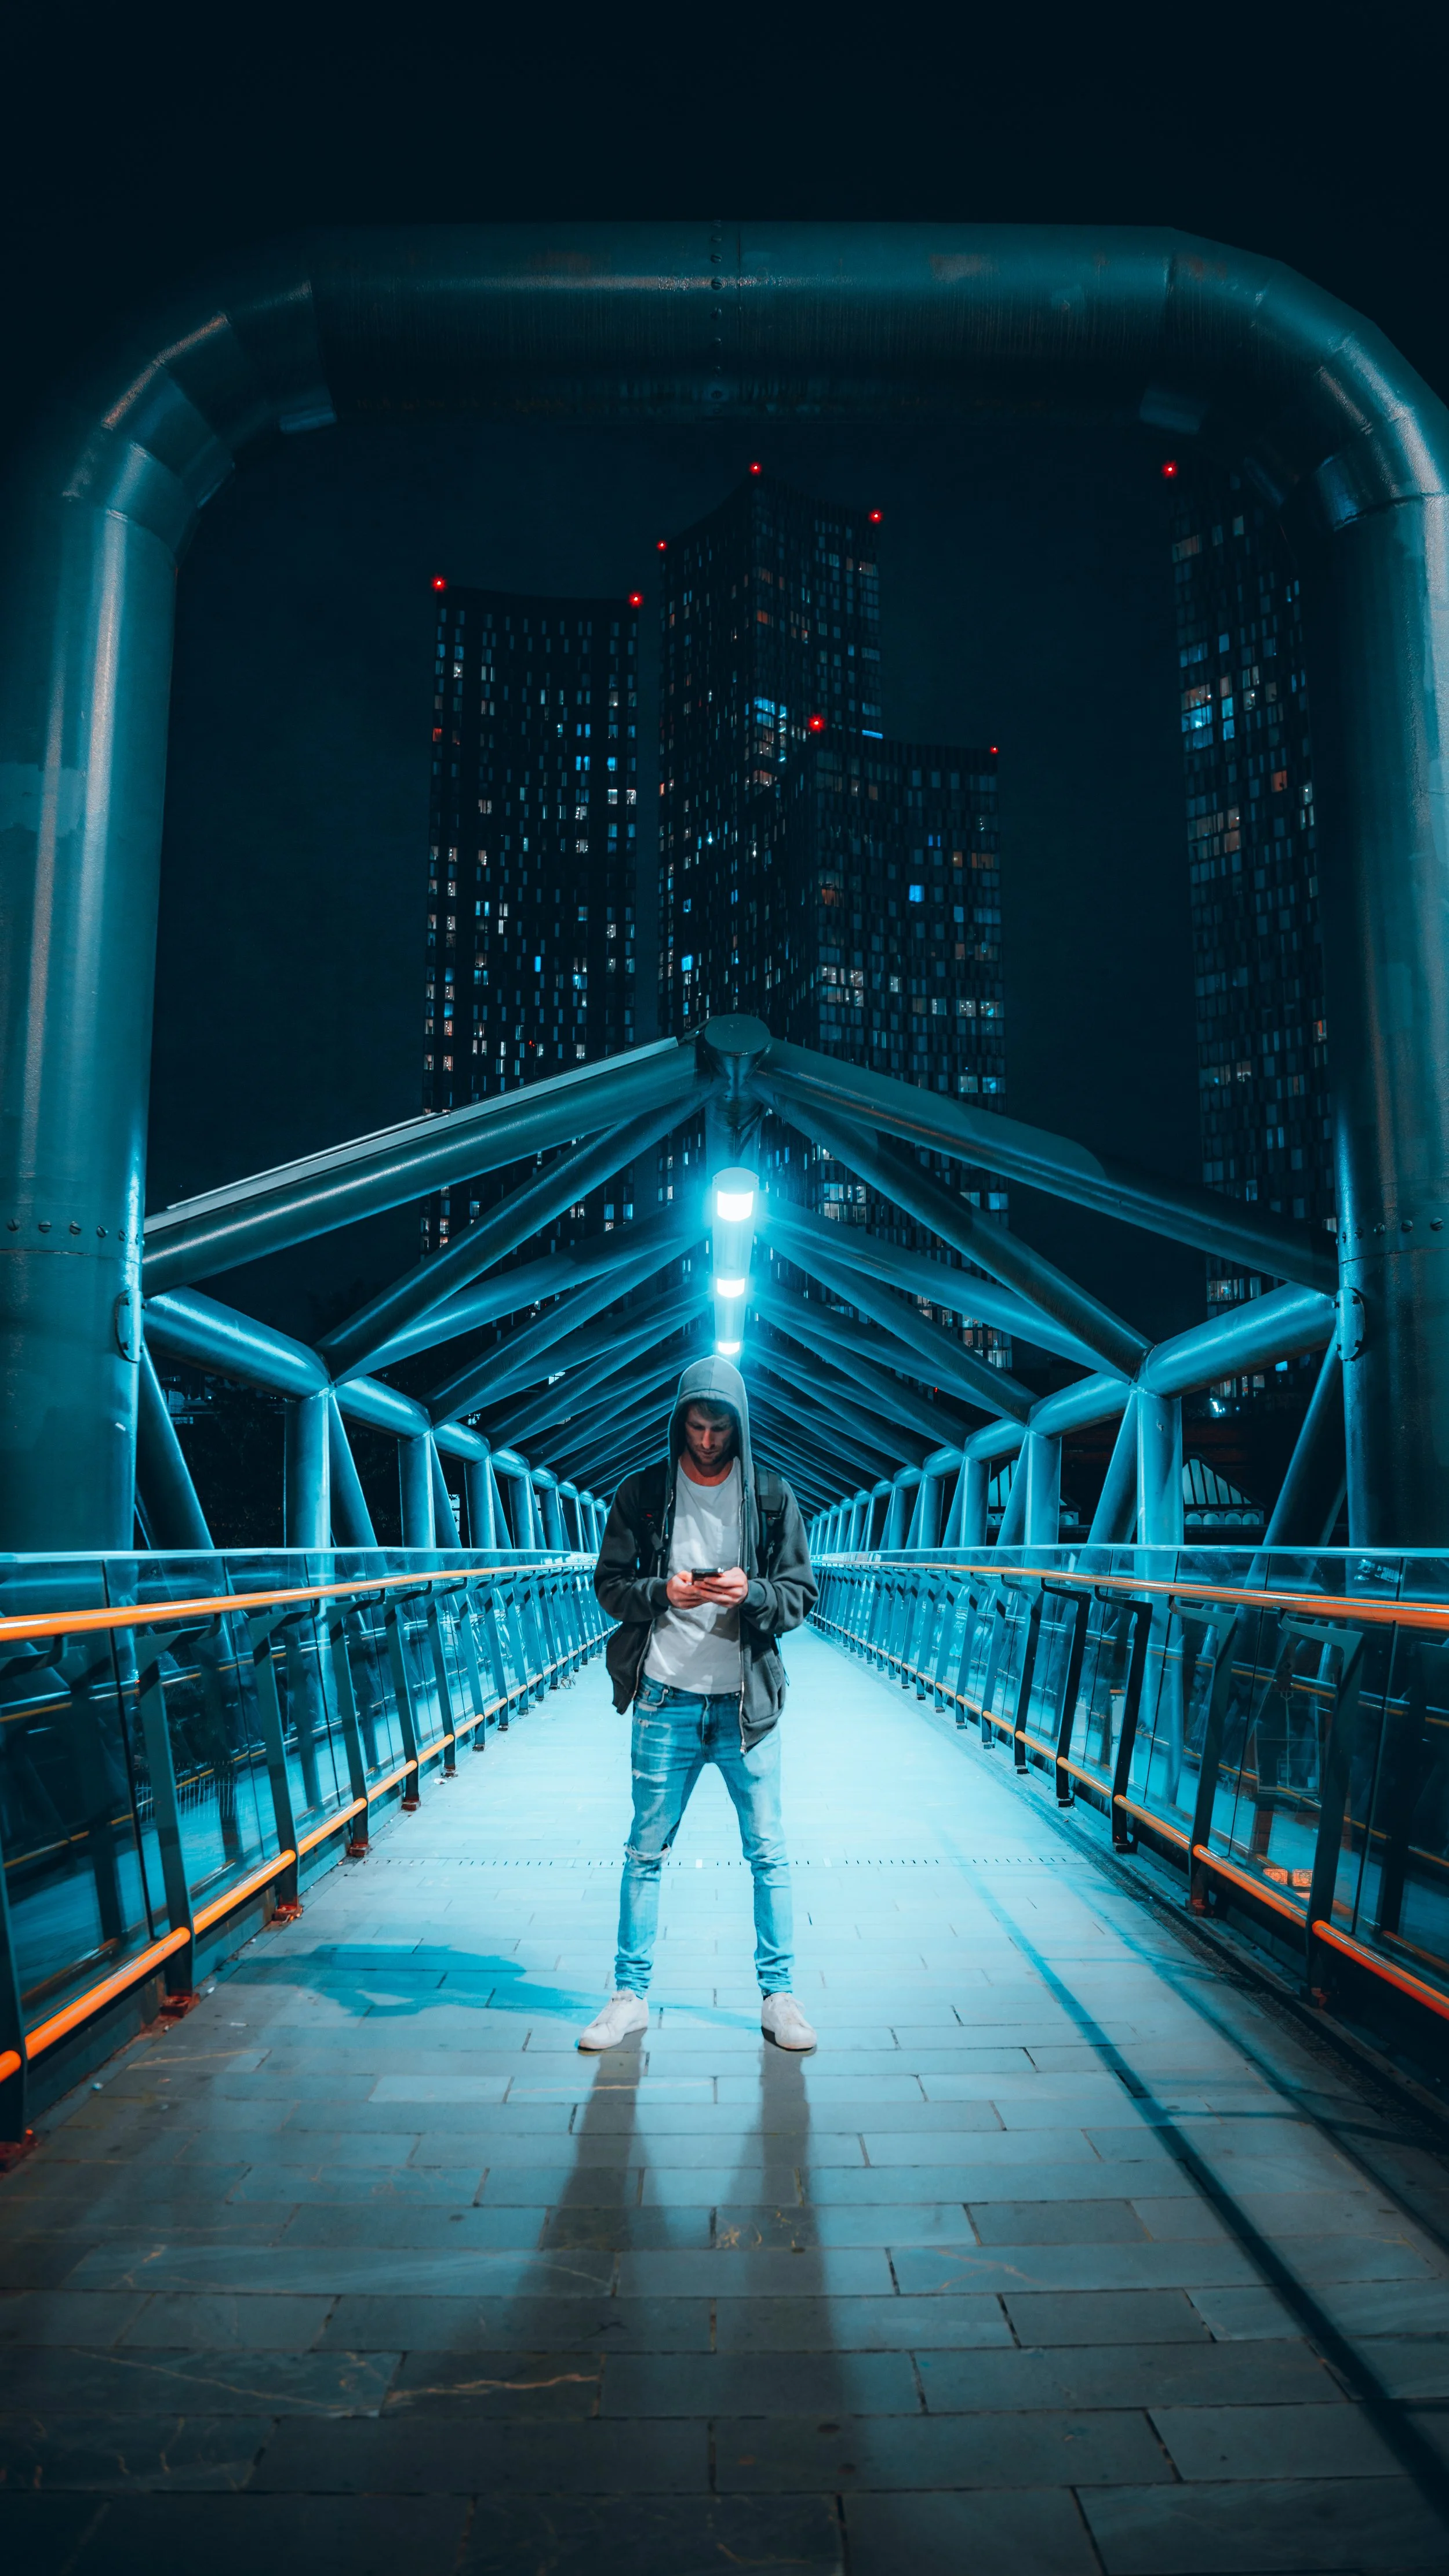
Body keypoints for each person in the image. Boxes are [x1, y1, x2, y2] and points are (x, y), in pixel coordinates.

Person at [583, 1354, 818, 2052]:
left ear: (739, 1426)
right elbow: (609, 1587)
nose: (708, 1439)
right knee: (644, 1851)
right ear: (678, 1421)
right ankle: (629, 1996)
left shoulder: (772, 1497)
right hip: (664, 1696)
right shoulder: (642, 1493)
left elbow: (800, 1594)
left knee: (768, 1852)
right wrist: (665, 1593)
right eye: (696, 1424)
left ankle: (779, 1996)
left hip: (746, 1705)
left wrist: (753, 1593)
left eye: (720, 1426)